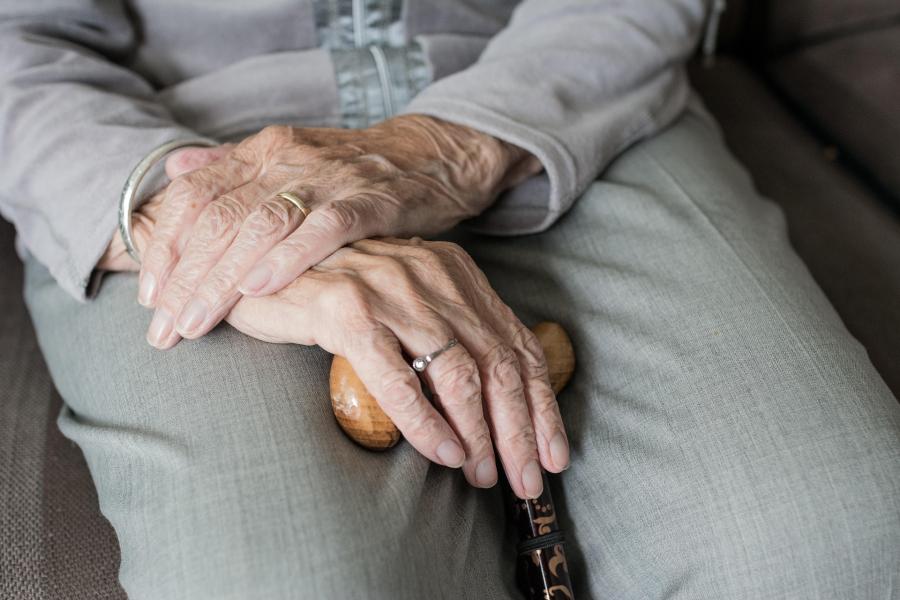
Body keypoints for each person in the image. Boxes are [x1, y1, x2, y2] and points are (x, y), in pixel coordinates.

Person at [2, 1, 898, 598]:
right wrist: (203, 217)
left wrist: (446, 146)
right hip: (167, 147)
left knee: (836, 543)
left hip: (566, 96)